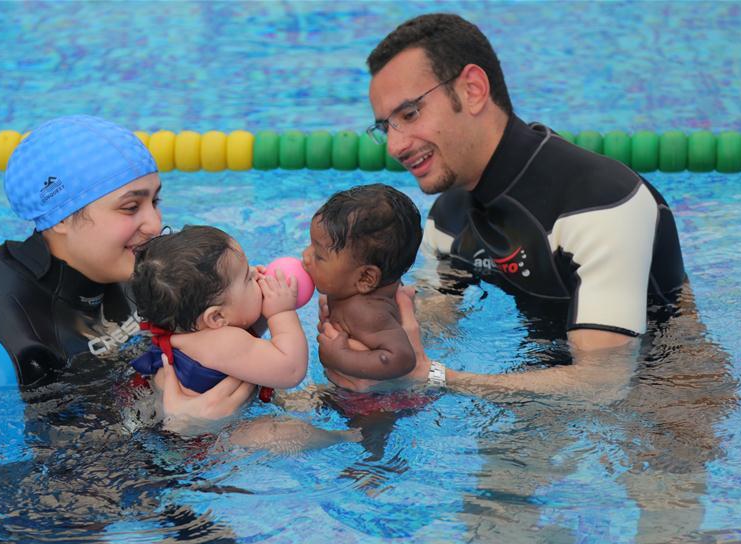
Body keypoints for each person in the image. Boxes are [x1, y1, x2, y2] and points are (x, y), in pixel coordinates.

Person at [324, 12, 686, 394]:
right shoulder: (449, 217)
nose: (395, 146)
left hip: (666, 395)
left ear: (473, 90)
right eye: (385, 127)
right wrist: (355, 318)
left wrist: (433, 378)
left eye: (410, 113)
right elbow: (436, 323)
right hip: (536, 381)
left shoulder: (602, 202)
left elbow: (602, 383)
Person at [0, 114, 251, 407]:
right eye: (130, 207)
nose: (155, 224)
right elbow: (16, 469)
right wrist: (177, 432)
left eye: (155, 201)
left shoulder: (146, 273)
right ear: (61, 218)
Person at [129, 225, 308, 423]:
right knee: (290, 431)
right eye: (247, 278)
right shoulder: (223, 341)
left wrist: (265, 298)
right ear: (216, 318)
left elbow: (248, 331)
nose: (256, 273)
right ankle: (342, 436)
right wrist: (281, 312)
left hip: (180, 417)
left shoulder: (189, 331)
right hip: (211, 440)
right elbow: (291, 370)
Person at [302, 183, 422, 381]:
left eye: (319, 256)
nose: (305, 256)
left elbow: (403, 358)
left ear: (366, 278)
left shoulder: (365, 313)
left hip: (373, 406)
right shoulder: (357, 286)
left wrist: (340, 357)